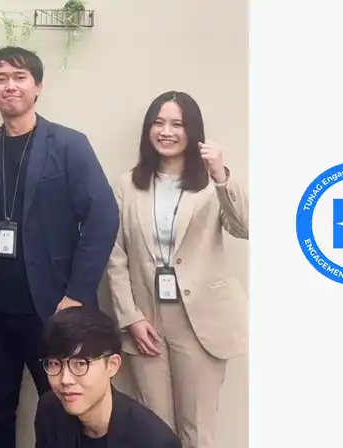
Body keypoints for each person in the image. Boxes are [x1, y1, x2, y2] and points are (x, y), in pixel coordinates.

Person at [0, 46, 119, 448]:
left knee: (64, 407)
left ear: (37, 87)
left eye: (19, 77)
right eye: (0, 79)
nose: (10, 86)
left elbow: (103, 217)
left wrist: (77, 294)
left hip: (53, 308)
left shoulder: (69, 144)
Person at [105, 91, 248, 448]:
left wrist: (221, 175)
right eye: (158, 123)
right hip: (146, 320)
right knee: (153, 429)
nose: (166, 131)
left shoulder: (211, 185)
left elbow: (244, 227)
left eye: (177, 124)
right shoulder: (127, 185)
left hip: (200, 321)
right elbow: (115, 255)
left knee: (196, 429)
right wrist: (130, 316)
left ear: (192, 131)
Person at [34, 307, 180, 448]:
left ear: (112, 365)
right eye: (55, 364)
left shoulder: (155, 442)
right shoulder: (50, 410)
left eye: (80, 364)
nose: (65, 380)